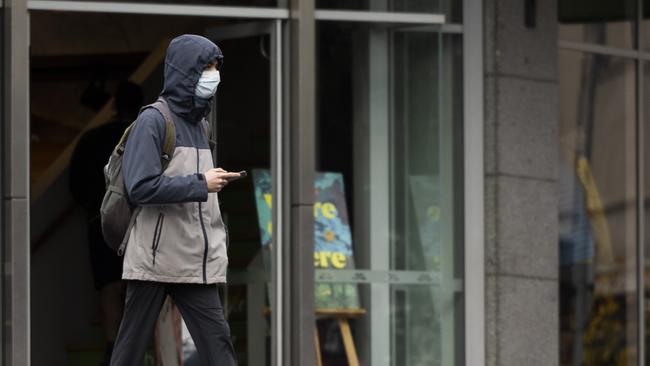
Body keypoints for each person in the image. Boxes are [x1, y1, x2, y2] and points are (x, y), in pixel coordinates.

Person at [109, 34, 241, 366]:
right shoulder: (153, 121)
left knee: (220, 349)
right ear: (185, 71)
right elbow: (140, 187)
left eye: (215, 67)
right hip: (154, 261)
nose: (213, 74)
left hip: (194, 261)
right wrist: (201, 183)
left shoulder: (202, 125)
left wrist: (210, 182)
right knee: (129, 352)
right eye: (207, 67)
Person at [69, 80, 144, 366]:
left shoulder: (92, 139)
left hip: (99, 220)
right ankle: (135, 343)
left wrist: (92, 205)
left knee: (109, 285)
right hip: (138, 220)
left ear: (114, 105)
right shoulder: (145, 137)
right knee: (135, 282)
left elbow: (75, 185)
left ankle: (113, 348)